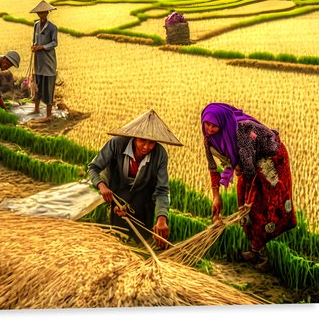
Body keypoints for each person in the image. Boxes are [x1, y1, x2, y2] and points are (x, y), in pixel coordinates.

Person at [201, 102, 297, 270]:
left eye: (214, 126)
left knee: (263, 207)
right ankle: (255, 248)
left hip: (271, 161)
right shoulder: (209, 139)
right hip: (249, 164)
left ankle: (264, 256)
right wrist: (216, 197)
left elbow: (251, 173)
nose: (209, 129)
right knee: (243, 205)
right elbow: (212, 168)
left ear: (223, 123)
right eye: (206, 124)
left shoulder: (243, 134)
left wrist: (250, 200)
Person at [88, 110, 183, 248]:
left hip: (144, 198)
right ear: (134, 137)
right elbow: (93, 167)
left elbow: (162, 189)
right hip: (118, 193)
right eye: (142, 140)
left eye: (151, 142)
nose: (146, 146)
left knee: (141, 238)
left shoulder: (160, 154)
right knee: (118, 237)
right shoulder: (116, 144)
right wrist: (102, 185)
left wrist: (162, 218)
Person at [29, 0, 58, 122]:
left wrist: (42, 47)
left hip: (48, 62)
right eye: (39, 13)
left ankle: (48, 115)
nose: (41, 15)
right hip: (38, 62)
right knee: (37, 85)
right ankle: (36, 109)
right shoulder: (36, 25)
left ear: (47, 13)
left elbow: (54, 42)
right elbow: (34, 40)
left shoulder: (52, 27)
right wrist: (34, 46)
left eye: (43, 13)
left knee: (48, 88)